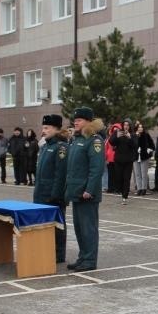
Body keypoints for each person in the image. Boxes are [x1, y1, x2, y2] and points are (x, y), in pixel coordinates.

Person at [62, 107, 104, 272]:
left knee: (88, 228)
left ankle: (90, 260)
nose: (76, 122)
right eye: (75, 120)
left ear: (88, 121)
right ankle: (83, 257)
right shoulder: (77, 139)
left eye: (79, 120)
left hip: (87, 194)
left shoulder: (94, 140)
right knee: (80, 229)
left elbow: (97, 168)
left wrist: (90, 189)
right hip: (77, 192)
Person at [34, 114, 69, 263]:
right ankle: (46, 250)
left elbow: (60, 174)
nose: (44, 130)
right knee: (43, 224)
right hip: (41, 193)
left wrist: (55, 195)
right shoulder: (45, 146)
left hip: (53, 195)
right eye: (43, 127)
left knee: (57, 224)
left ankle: (58, 254)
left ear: (56, 129)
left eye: (47, 128)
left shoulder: (61, 147)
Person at [108, 120, 137, 204]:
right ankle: (121, 191)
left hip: (128, 160)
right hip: (118, 160)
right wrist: (116, 136)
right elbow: (111, 142)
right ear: (122, 126)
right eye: (124, 125)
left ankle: (125, 196)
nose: (126, 126)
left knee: (126, 179)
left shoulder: (133, 135)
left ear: (130, 126)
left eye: (128, 125)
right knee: (119, 178)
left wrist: (130, 138)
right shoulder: (118, 132)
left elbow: (135, 145)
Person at [133, 122, 155, 196]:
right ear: (136, 128)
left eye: (142, 127)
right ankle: (139, 188)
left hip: (144, 157)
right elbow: (131, 144)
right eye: (139, 127)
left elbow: (152, 145)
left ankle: (144, 188)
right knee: (137, 174)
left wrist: (149, 150)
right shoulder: (134, 135)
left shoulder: (146, 135)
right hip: (136, 157)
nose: (140, 128)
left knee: (143, 173)